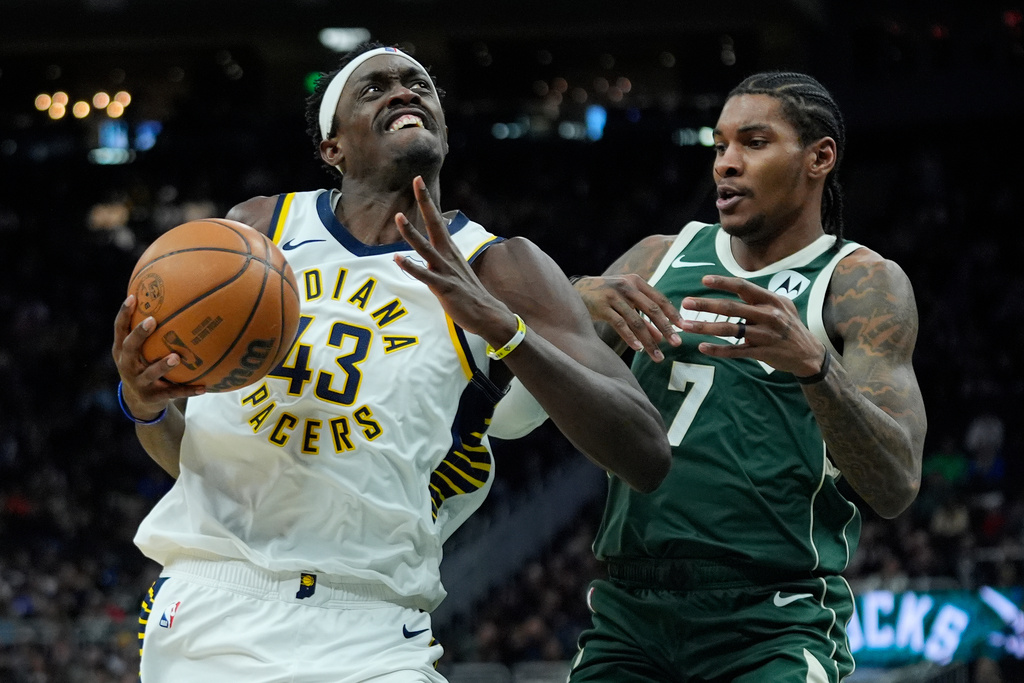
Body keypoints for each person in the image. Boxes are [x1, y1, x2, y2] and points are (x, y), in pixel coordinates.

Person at [111, 42, 670, 682]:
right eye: (373, 89)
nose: (405, 92)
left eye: (419, 84)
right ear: (332, 147)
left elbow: (646, 453)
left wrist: (502, 328)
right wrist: (146, 403)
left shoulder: (502, 268)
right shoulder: (261, 230)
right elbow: (197, 459)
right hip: (212, 607)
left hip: (371, 629)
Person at [559, 72, 928, 681]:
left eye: (753, 143)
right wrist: (575, 297)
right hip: (629, 613)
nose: (726, 164)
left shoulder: (860, 283)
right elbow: (516, 391)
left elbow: (895, 484)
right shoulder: (657, 258)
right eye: (720, 146)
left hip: (772, 621)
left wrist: (816, 367)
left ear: (820, 158)